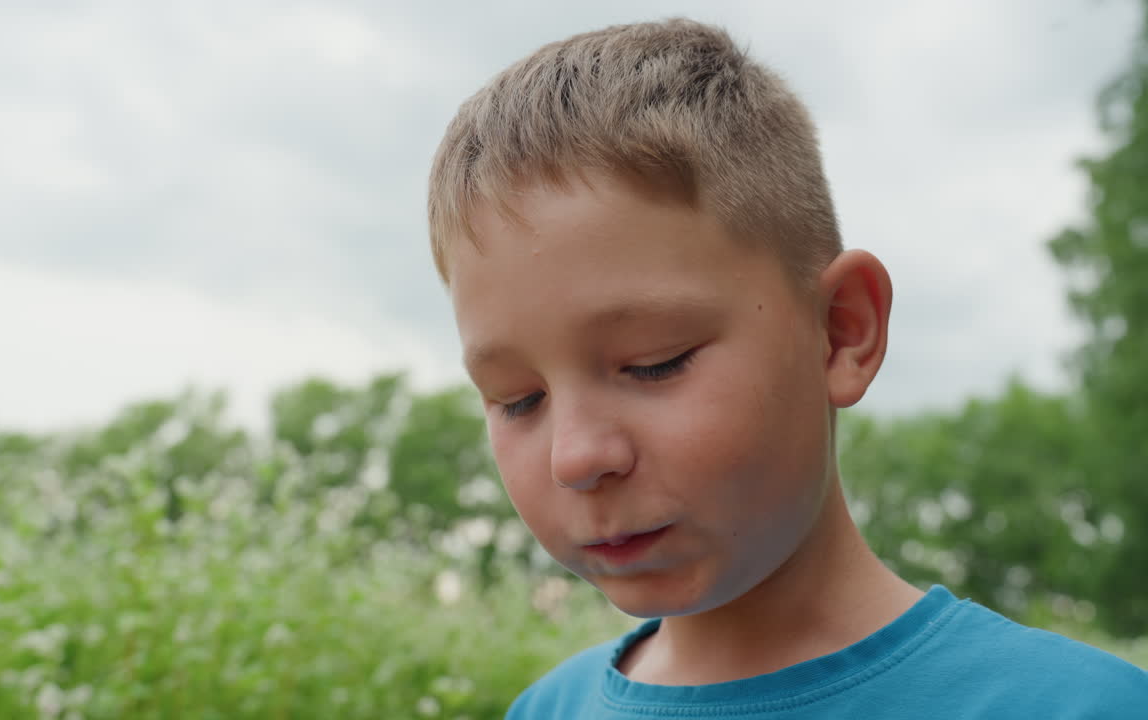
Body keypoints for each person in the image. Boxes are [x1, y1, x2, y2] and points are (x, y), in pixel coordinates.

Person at [425, 18, 1148, 719]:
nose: (577, 457)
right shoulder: (544, 710)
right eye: (517, 400)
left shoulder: (1081, 707)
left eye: (654, 364)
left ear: (840, 332)